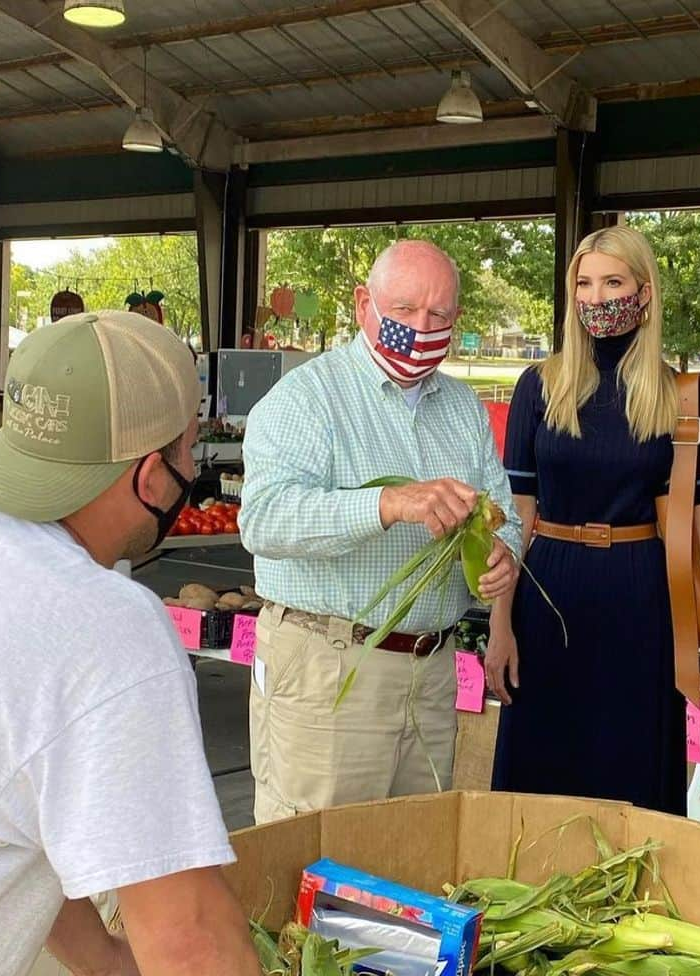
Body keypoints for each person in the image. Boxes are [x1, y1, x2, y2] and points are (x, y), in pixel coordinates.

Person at [0, 311, 259, 976]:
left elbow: (6, 805)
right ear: (147, 473)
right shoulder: (105, 626)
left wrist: (107, 961)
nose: (192, 469)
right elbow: (189, 938)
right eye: (186, 448)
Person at [239, 239, 521, 823]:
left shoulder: (463, 407)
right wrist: (386, 504)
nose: (421, 329)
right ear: (363, 304)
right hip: (331, 666)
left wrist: (502, 554)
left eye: (439, 316)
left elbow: (505, 513)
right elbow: (263, 519)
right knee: (319, 859)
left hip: (433, 674)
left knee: (417, 855)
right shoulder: (307, 398)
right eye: (403, 312)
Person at [486, 225, 700, 814]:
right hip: (547, 596)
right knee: (540, 769)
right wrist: (501, 624)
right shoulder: (539, 386)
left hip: (641, 600)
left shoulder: (680, 394)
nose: (597, 297)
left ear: (644, 292)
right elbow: (518, 515)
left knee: (632, 770)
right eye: (585, 282)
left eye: (614, 282)